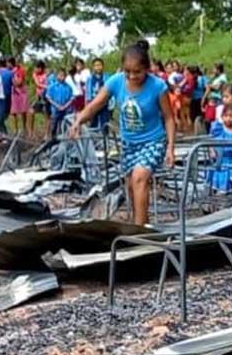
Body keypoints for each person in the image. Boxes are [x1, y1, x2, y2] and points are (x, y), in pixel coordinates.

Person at [71, 40, 175, 227]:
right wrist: (79, 120)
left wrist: (171, 148)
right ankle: (142, 224)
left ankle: (138, 231)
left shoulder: (158, 86)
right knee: (132, 188)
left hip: (153, 141)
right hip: (129, 144)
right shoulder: (116, 82)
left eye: (137, 72)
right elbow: (95, 104)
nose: (132, 76)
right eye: (128, 72)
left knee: (139, 178)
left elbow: (168, 118)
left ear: (147, 69)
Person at [207, 104, 232, 192]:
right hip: (221, 160)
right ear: (222, 117)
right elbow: (211, 141)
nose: (228, 118)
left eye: (231, 116)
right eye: (226, 116)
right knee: (220, 176)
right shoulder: (219, 129)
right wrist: (212, 151)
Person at [46, 68, 75, 138]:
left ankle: (64, 139)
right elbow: (48, 97)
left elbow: (71, 98)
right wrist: (56, 105)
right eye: (60, 75)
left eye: (63, 75)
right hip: (55, 109)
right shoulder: (53, 86)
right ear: (57, 76)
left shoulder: (68, 87)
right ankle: (53, 138)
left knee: (64, 126)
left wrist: (65, 106)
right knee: (54, 125)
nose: (62, 77)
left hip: (65, 110)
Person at [85, 58, 111, 132]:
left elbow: (111, 90)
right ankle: (94, 138)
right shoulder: (90, 79)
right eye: (96, 65)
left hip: (104, 104)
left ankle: (105, 137)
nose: (98, 67)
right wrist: (87, 106)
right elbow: (88, 93)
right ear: (93, 67)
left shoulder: (107, 77)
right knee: (93, 124)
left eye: (99, 65)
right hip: (93, 104)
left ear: (103, 66)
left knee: (105, 124)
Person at [10, 57, 31, 135]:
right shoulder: (12, 71)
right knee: (14, 111)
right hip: (14, 92)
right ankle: (15, 129)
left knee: (23, 111)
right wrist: (14, 82)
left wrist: (13, 82)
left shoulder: (21, 70)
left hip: (22, 92)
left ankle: (24, 128)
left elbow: (19, 82)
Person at [0, 59, 14, 134]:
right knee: (6, 112)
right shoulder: (11, 73)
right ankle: (2, 129)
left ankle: (1, 128)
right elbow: (13, 83)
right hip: (7, 95)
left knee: (0, 112)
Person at [33, 61, 50, 136]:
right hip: (39, 97)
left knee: (47, 116)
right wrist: (46, 87)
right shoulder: (35, 74)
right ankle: (31, 133)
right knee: (31, 112)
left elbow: (48, 82)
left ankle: (46, 134)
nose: (35, 69)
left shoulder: (46, 75)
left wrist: (47, 86)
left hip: (46, 97)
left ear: (40, 68)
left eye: (37, 68)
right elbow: (37, 84)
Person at [189, 65, 207, 134]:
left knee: (201, 116)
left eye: (193, 73)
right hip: (193, 100)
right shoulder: (191, 79)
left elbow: (207, 88)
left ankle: (202, 130)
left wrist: (204, 98)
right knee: (193, 116)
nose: (193, 75)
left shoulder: (202, 78)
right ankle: (195, 131)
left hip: (200, 99)